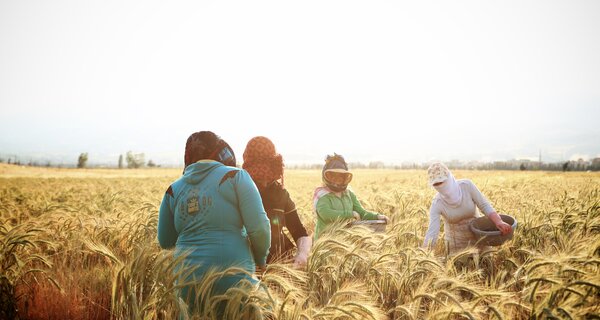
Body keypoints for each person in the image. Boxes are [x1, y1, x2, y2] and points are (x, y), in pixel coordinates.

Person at [157, 131, 271, 315]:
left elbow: (165, 241)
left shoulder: (172, 190)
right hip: (235, 278)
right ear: (220, 152)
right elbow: (259, 228)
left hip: (187, 282)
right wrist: (261, 259)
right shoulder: (236, 177)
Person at [242, 136, 312, 268]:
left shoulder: (281, 194)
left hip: (280, 264)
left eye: (268, 177)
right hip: (247, 268)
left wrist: (302, 254)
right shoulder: (238, 191)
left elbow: (298, 230)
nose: (264, 182)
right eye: (258, 177)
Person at [422, 162, 512, 255]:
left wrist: (498, 221)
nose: (440, 186)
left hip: (479, 238)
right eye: (436, 184)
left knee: (485, 264)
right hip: (456, 245)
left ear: (449, 177)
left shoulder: (467, 186)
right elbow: (432, 232)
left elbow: (484, 205)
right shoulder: (437, 203)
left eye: (442, 182)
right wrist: (424, 254)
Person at [312, 153, 389, 240]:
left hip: (343, 241)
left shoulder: (349, 194)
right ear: (326, 176)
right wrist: (349, 214)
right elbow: (326, 214)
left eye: (340, 177)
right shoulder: (322, 195)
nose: (337, 180)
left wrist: (377, 216)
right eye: (333, 176)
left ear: (345, 178)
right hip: (325, 242)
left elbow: (361, 212)